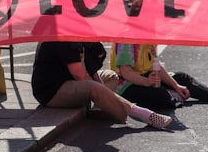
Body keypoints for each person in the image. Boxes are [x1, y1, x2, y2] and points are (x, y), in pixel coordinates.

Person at [31, 41, 172, 129]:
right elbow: (80, 75)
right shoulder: (63, 38)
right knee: (94, 87)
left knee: (110, 77)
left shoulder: (77, 35)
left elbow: (91, 71)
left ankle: (102, 108)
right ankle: (142, 114)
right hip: (52, 92)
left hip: (70, 82)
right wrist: (102, 89)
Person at [112, 43, 208, 108]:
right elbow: (126, 72)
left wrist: (176, 85)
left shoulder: (148, 38)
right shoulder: (126, 42)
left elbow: (156, 66)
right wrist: (147, 82)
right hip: (126, 85)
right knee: (159, 95)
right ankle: (171, 96)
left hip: (146, 77)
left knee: (182, 78)